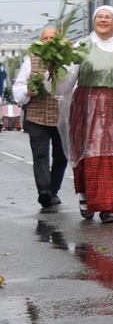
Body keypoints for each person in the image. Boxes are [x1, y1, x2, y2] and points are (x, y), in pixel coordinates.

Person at [59, 6, 113, 223]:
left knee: (111, 154)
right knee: (87, 152)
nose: (103, 20)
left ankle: (107, 206)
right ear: (93, 21)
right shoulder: (82, 45)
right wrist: (55, 73)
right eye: (99, 17)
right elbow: (66, 83)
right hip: (87, 105)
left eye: (108, 17)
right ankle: (86, 197)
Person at [13, 27, 68, 209]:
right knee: (40, 154)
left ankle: (53, 189)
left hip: (61, 116)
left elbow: (72, 86)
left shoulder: (66, 61)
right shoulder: (31, 60)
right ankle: (44, 191)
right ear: (40, 41)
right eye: (45, 38)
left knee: (62, 154)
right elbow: (19, 86)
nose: (49, 40)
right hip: (36, 115)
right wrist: (27, 91)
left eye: (52, 37)